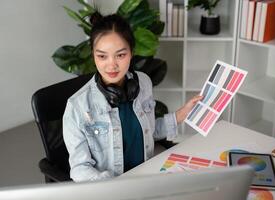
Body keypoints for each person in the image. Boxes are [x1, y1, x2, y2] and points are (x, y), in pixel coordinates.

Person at [63, 12, 203, 182]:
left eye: (120, 55)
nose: (112, 64)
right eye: (102, 56)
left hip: (147, 176)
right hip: (111, 189)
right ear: (93, 55)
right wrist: (112, 186)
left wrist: (181, 115)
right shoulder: (77, 107)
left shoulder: (143, 83)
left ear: (131, 53)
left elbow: (149, 132)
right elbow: (79, 169)